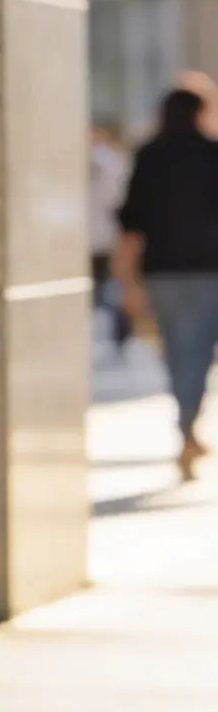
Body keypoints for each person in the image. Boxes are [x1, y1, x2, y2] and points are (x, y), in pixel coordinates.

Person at [111, 79, 218, 482]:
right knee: (199, 351)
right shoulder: (212, 154)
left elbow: (130, 223)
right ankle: (188, 424)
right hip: (208, 270)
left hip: (162, 271)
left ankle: (186, 425)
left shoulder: (150, 155)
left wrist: (127, 282)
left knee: (177, 350)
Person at [89, 120, 133, 352]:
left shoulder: (108, 161)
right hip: (104, 235)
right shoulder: (113, 161)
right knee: (107, 288)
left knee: (105, 288)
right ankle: (119, 332)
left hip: (99, 236)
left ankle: (118, 330)